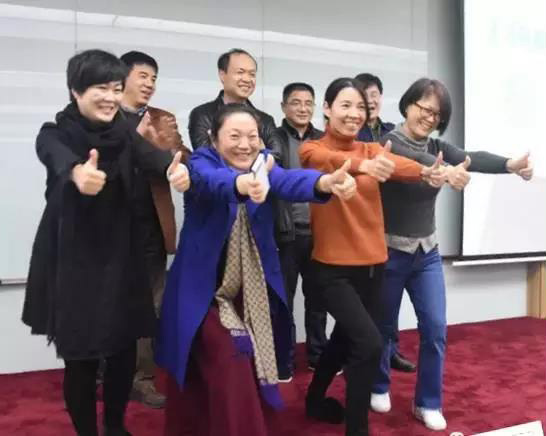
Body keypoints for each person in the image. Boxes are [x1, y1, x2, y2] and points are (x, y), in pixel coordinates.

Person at [155, 103, 357, 436]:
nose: (245, 144)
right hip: (203, 295)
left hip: (248, 293)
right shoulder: (202, 163)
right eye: (234, 136)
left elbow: (288, 181)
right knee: (229, 358)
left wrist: (323, 183)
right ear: (214, 138)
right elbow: (212, 181)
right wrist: (244, 184)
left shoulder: (264, 164)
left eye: (252, 137)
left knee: (248, 362)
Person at [21, 49, 190, 436]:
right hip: (74, 257)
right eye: (101, 88)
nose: (111, 97)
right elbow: (55, 154)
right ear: (75, 90)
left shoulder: (123, 133)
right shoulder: (55, 131)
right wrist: (77, 172)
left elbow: (156, 158)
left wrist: (174, 170)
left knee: (123, 349)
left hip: (121, 253)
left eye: (116, 88)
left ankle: (115, 426)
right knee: (81, 358)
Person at [370, 78, 533, 431]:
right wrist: (444, 172)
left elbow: (472, 158)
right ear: (408, 105)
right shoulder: (388, 142)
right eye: (424, 108)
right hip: (389, 251)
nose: (429, 118)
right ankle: (378, 384)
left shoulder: (438, 146)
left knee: (435, 328)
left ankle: (427, 402)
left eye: (437, 114)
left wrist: (510, 164)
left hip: (426, 253)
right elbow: (414, 161)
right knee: (383, 325)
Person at [300, 77, 444, 436]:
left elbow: (397, 163)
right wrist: (362, 166)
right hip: (332, 270)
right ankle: (357, 429)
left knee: (343, 339)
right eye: (345, 105)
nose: (354, 114)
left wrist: (426, 171)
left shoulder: (371, 149)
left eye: (360, 107)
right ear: (327, 108)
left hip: (373, 267)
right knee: (369, 344)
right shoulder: (312, 148)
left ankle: (314, 399)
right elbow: (327, 159)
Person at [119, 50, 191, 409]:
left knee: (151, 304)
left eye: (153, 78)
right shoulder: (102, 116)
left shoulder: (162, 118)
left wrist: (162, 145)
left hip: (151, 225)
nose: (149, 84)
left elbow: (184, 159)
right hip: (109, 227)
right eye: (143, 76)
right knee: (108, 304)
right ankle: (104, 374)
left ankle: (141, 379)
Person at [354, 72, 416, 373]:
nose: (371, 100)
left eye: (375, 94)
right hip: (360, 221)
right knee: (362, 296)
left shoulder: (392, 133)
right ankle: (358, 352)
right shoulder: (352, 135)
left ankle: (390, 351)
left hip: (390, 223)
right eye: (365, 95)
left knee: (389, 295)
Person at [272, 82, 327, 381]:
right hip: (287, 234)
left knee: (318, 300)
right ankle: (284, 361)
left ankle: (318, 356)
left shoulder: (323, 139)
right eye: (296, 102)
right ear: (284, 107)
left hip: (320, 233)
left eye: (308, 103)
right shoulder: (274, 137)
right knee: (284, 301)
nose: (303, 108)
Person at [187, 48, 282, 151]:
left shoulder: (265, 120)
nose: (247, 79)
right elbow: (205, 154)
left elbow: (276, 155)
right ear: (222, 75)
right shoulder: (203, 114)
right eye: (240, 72)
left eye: (252, 74)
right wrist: (260, 149)